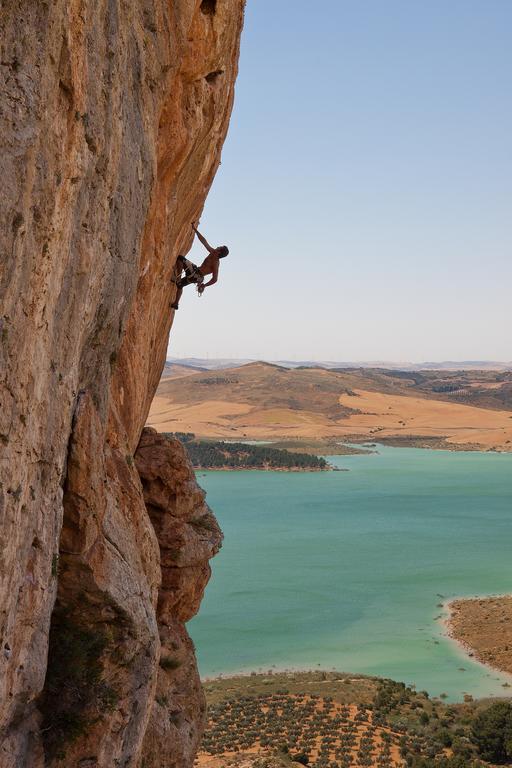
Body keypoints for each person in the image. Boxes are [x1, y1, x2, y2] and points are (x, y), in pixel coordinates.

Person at [171, 223, 229, 310]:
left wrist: (204, 285)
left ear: (219, 252)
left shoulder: (216, 263)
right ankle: (176, 304)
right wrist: (195, 229)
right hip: (196, 274)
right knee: (180, 285)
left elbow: (215, 279)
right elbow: (204, 241)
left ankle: (178, 278)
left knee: (180, 258)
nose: (217, 247)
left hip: (197, 275)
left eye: (219, 247)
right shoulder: (212, 253)